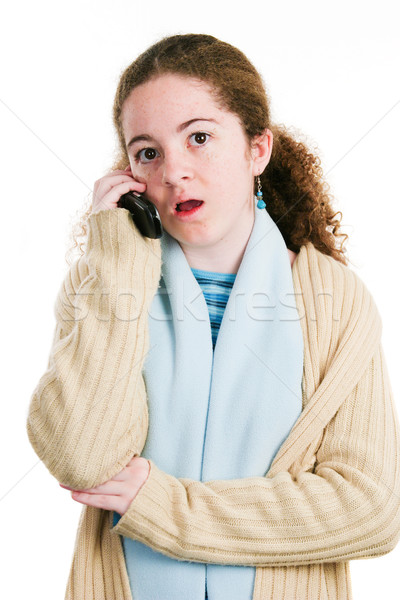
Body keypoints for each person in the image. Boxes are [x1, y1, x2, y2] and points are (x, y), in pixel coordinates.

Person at [26, 33, 400, 600]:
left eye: (199, 138)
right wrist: (120, 259)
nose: (175, 172)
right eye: (147, 152)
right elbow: (83, 456)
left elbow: (370, 509)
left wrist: (162, 507)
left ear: (258, 149)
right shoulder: (102, 282)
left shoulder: (336, 299)